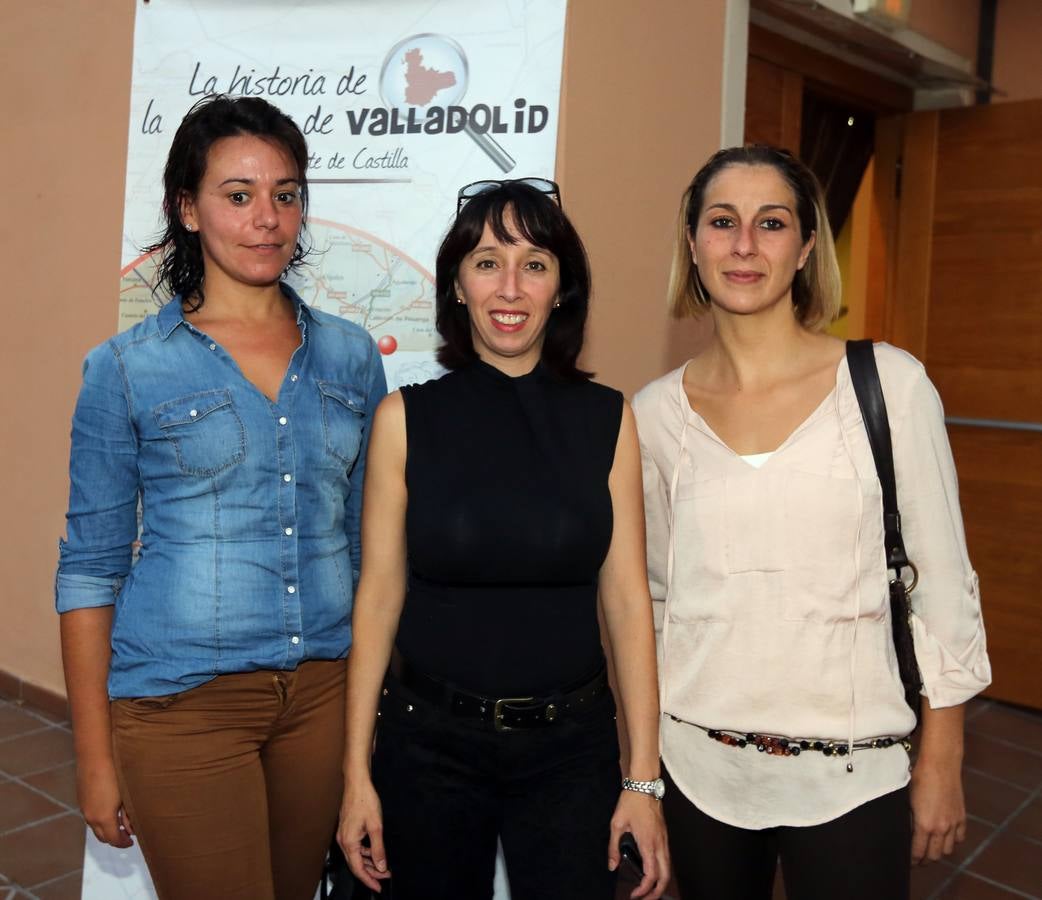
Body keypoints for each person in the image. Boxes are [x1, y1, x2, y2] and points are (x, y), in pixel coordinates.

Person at [633, 145, 991, 900]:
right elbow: (656, 603)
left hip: (855, 774)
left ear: (803, 249)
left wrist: (942, 758)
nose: (743, 245)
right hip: (699, 769)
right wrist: (642, 772)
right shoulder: (652, 416)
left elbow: (944, 587)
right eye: (722, 222)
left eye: (771, 223)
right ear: (692, 245)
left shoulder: (888, 384)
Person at [56, 95, 386, 900]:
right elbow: (90, 571)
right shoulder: (127, 367)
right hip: (181, 705)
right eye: (238, 196)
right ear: (187, 209)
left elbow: (371, 546)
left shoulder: (349, 357)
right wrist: (96, 761)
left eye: (285, 194)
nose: (267, 218)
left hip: (322, 699)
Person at [336, 178, 670, 900]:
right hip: (425, 749)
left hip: (570, 753)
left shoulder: (608, 420)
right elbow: (379, 597)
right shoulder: (404, 419)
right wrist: (356, 774)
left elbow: (626, 601)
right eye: (487, 262)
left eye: (535, 263)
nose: (509, 286)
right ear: (457, 284)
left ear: (562, 288)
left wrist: (643, 779)